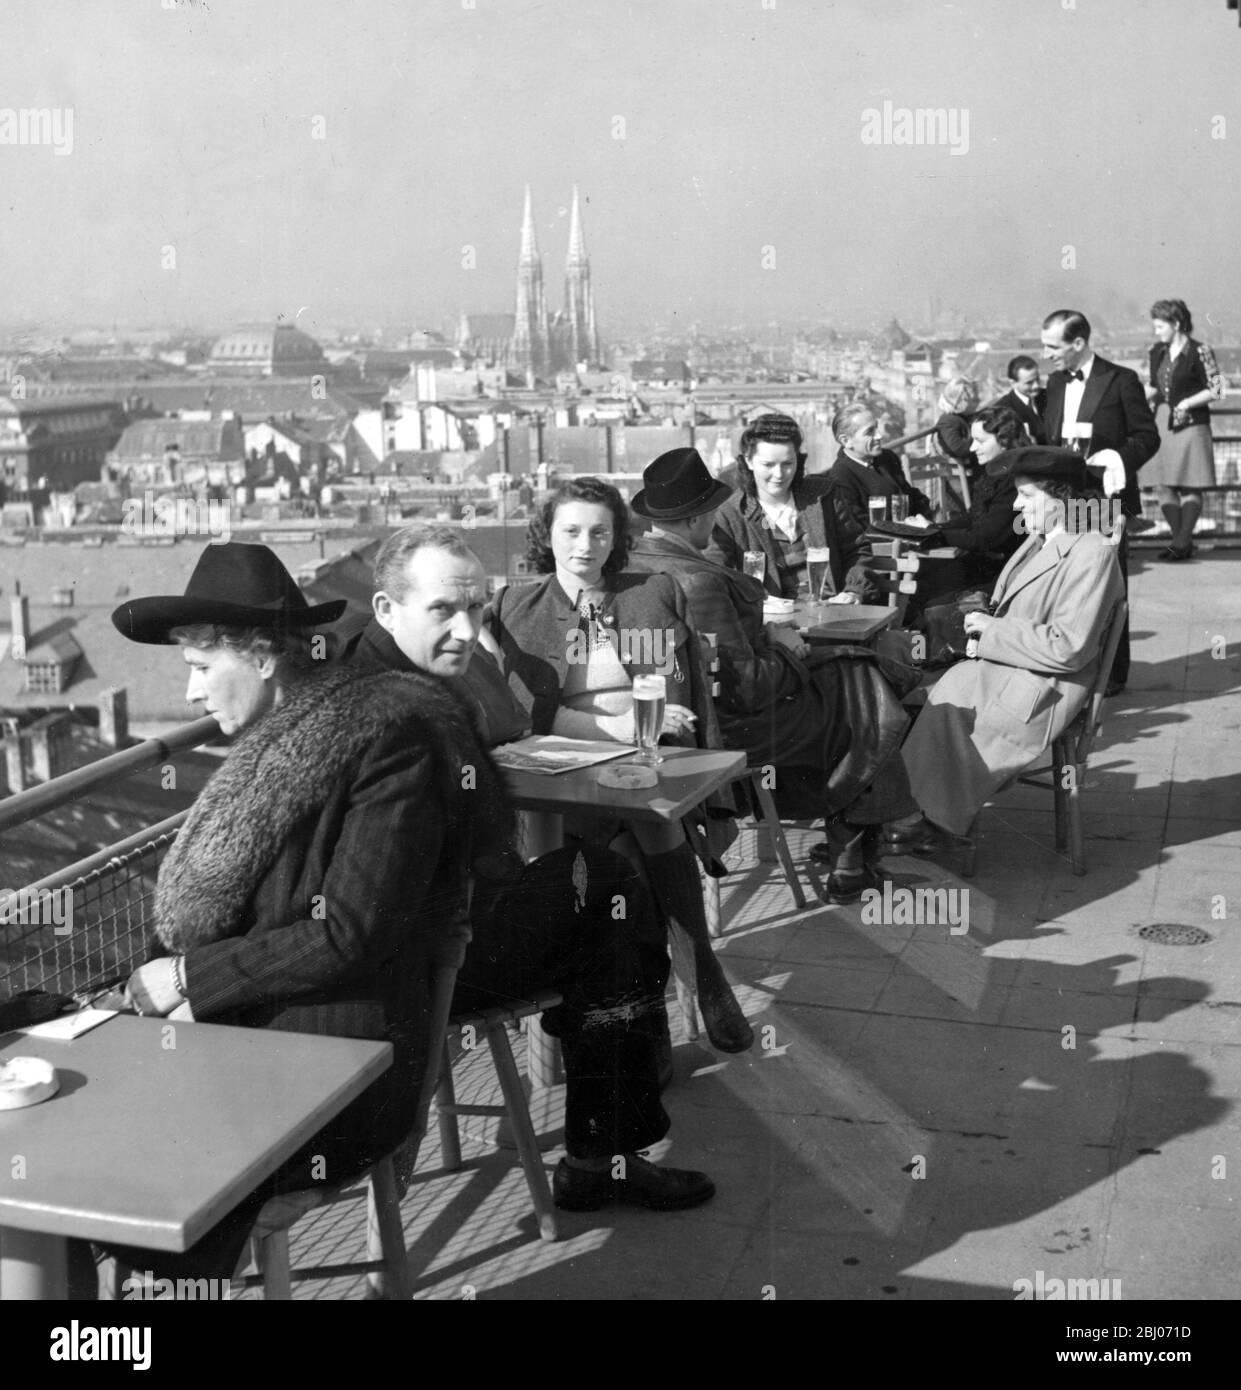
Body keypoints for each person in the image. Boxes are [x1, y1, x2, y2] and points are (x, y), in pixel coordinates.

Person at [69, 541, 514, 1290]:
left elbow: (350, 931)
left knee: (124, 1175)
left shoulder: (387, 736)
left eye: (202, 667)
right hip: (243, 1044)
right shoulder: (268, 751)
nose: (189, 695)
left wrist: (186, 978)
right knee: (82, 1155)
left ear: (264, 658)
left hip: (344, 1066)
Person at [341, 524, 719, 1214]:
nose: (465, 628)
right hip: (421, 967)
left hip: (442, 932)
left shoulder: (406, 673)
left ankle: (600, 1140)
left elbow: (504, 723)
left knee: (604, 888)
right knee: (610, 900)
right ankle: (603, 1149)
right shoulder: (383, 712)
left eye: (477, 609)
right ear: (385, 609)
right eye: (443, 611)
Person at [484, 477, 753, 1054]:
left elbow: (680, 705)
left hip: (642, 765)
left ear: (616, 538)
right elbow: (524, 718)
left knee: (651, 818)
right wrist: (618, 730)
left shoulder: (651, 592)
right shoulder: (516, 606)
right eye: (571, 531)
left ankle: (681, 1000)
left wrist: (646, 733)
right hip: (561, 770)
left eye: (599, 532)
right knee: (641, 840)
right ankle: (695, 985)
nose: (585, 545)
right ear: (547, 536)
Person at [628, 447, 920, 901]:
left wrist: (766, 635)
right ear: (694, 520)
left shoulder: (637, 564)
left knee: (856, 679)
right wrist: (785, 647)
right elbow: (749, 687)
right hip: (728, 729)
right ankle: (854, 859)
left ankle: (857, 851)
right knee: (863, 701)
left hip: (682, 721)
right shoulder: (698, 581)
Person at [899, 447, 1125, 843]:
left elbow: (1069, 648)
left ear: (1062, 500)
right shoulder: (1044, 538)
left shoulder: (1091, 552)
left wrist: (990, 631)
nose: (1017, 505)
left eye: (1028, 495)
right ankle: (912, 810)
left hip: (1042, 687)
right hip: (1013, 668)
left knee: (938, 702)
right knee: (902, 683)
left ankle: (924, 817)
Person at [1040, 308, 1159, 696]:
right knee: (1065, 585)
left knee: (1108, 585)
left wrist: (1117, 458)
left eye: (1053, 346)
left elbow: (1147, 436)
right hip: (1063, 501)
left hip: (1107, 500)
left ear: (1078, 343)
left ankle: (1112, 675)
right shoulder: (1056, 382)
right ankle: (1070, 669)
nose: (1047, 355)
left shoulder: (1121, 379)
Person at [707, 412, 877, 604]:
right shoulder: (730, 514)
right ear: (748, 461)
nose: (779, 474)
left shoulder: (824, 497)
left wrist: (853, 591)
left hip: (832, 614)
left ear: (798, 460)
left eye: (788, 463)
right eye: (768, 465)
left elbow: (857, 550)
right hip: (771, 625)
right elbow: (714, 574)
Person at [917, 405, 1029, 652]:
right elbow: (974, 517)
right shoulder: (998, 471)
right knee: (920, 584)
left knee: (925, 602)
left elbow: (984, 537)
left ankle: (922, 658)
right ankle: (920, 655)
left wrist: (937, 534)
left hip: (1003, 574)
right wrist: (934, 527)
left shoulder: (1013, 481)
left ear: (1003, 441)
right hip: (991, 564)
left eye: (979, 440)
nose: (972, 447)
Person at [1143, 298, 1223, 561]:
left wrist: (1188, 402)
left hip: (1191, 422)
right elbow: (1155, 387)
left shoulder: (1202, 351)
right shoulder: (1156, 351)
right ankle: (1181, 541)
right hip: (1164, 420)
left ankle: (1179, 543)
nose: (1156, 332)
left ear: (1176, 324)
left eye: (1159, 326)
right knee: (1164, 484)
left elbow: (1218, 388)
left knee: (1191, 485)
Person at [824, 401, 934, 541]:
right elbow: (861, 529)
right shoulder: (841, 476)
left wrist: (924, 520)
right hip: (887, 552)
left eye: (877, 427)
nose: (879, 436)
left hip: (915, 537)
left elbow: (911, 496)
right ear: (846, 441)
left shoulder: (886, 458)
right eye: (870, 432)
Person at [995, 355, 1048, 444]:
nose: (1036, 386)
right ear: (1013, 383)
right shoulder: (1003, 409)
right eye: (1029, 383)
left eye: (1037, 380)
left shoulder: (1048, 397)